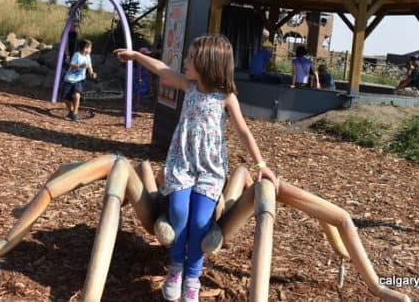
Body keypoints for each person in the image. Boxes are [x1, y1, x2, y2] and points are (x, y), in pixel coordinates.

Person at [114, 34, 278, 302]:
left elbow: (244, 131)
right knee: (179, 212)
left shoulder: (226, 97)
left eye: (191, 57)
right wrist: (135, 56)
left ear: (207, 63)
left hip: (210, 169)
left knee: (200, 222)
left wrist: (261, 164)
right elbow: (161, 69)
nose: (185, 61)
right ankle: (176, 267)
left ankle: (192, 276)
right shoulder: (188, 85)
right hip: (181, 163)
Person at [61, 39, 97, 121]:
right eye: (90, 48)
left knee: (77, 95)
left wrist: (92, 73)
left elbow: (89, 66)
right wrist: (80, 66)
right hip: (69, 79)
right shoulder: (77, 55)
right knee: (66, 99)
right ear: (85, 48)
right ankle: (70, 111)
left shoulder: (88, 57)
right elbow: (72, 65)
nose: (91, 50)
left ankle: (75, 113)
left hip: (79, 80)